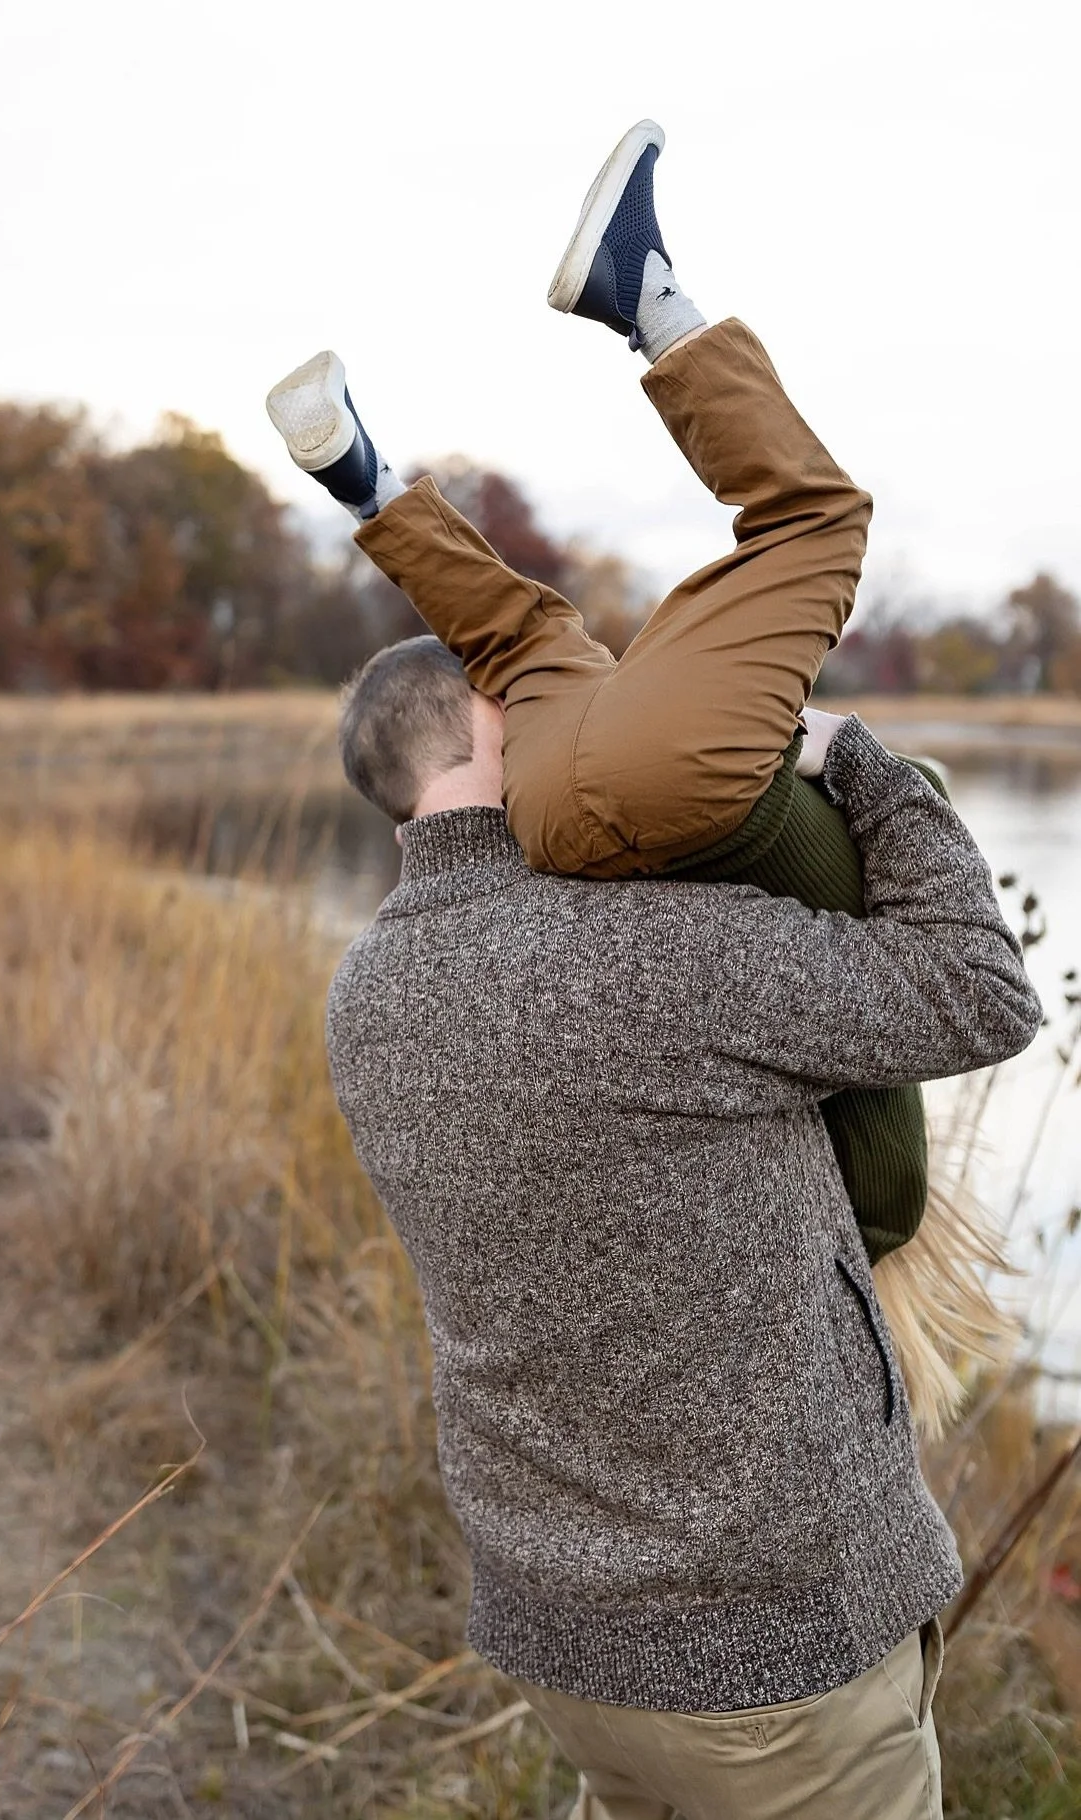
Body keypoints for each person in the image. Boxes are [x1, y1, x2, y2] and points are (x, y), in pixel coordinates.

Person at [287, 125, 1044, 1820]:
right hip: (771, 1662)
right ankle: (652, 306)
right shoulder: (650, 955)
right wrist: (862, 770)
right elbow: (980, 998)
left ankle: (387, 470)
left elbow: (526, 644)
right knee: (816, 516)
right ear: (492, 722)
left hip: (573, 1655)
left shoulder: (365, 1003)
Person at [266, 120, 941, 1272]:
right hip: (620, 791)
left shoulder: (395, 982)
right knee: (769, 537)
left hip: (574, 795)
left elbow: (880, 1173)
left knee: (555, 624)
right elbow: (881, 1182)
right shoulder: (881, 1197)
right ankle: (628, 307)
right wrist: (875, 769)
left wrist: (853, 769)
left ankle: (373, 473)